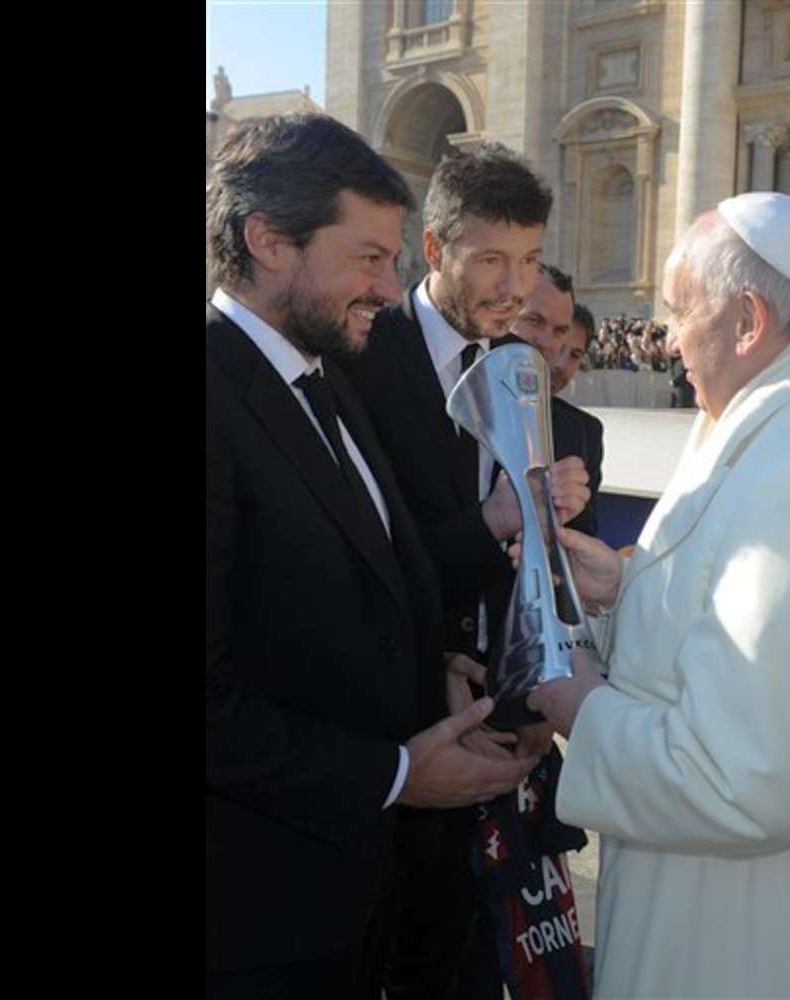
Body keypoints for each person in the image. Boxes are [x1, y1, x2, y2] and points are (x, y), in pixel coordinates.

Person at [205, 113, 537, 1000]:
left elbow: (336, 589)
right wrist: (396, 775)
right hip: (253, 921)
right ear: (268, 241)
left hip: (353, 905)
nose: (391, 289)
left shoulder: (322, 377)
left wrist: (434, 664)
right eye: (368, 258)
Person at [524, 192, 790, 998]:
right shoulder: (770, 414)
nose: (668, 336)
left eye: (681, 311)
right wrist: (628, 587)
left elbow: (746, 776)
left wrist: (581, 707)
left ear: (747, 320)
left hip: (747, 938)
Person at [343, 143, 592, 1000]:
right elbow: (361, 564)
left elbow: (540, 576)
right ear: (439, 250)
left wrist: (531, 703)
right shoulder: (360, 363)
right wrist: (491, 524)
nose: (515, 286)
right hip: (407, 746)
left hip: (513, 737)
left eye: (528, 260)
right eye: (491, 259)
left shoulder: (523, 369)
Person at [506, 264, 603, 537]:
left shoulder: (580, 433)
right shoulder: (465, 406)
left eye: (559, 332)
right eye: (534, 321)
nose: (550, 347)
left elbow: (583, 538)